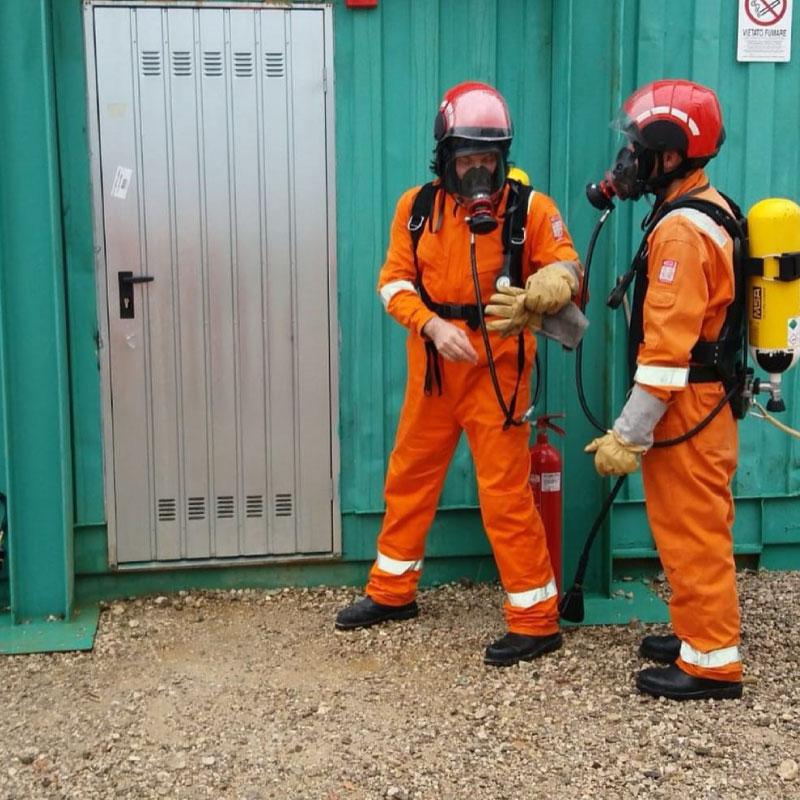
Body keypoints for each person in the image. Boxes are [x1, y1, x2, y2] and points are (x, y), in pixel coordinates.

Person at [335, 81, 582, 666]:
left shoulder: (530, 209)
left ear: (503, 159)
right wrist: (430, 325)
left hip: (500, 373)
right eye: (468, 158)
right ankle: (392, 591)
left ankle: (535, 621)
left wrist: (552, 285)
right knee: (409, 478)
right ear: (446, 156)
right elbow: (393, 283)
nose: (479, 172)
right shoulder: (416, 208)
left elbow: (568, 267)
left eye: (489, 159)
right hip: (435, 372)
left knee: (505, 496)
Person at [584, 79, 743, 700]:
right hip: (702, 402)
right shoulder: (706, 205)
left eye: (639, 148)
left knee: (692, 528)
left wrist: (628, 434)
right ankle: (693, 632)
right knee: (691, 523)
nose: (627, 159)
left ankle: (711, 663)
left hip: (687, 407)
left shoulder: (681, 231)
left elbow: (666, 353)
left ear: (671, 155)